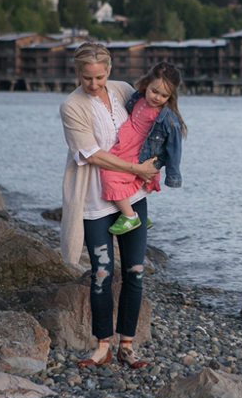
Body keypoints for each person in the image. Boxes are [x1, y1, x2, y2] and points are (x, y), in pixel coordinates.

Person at [59, 42, 161, 369]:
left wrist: (160, 157)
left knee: (135, 271)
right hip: (94, 200)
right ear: (77, 73)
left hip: (132, 197)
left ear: (110, 70)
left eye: (100, 76)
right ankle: (102, 345)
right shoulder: (72, 106)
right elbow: (92, 154)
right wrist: (136, 168)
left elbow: (150, 119)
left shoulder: (122, 90)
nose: (94, 84)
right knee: (102, 272)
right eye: (87, 77)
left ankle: (127, 346)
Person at [100, 61, 186, 235]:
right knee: (120, 174)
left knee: (110, 175)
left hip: (138, 150)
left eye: (164, 95)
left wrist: (173, 175)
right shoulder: (138, 97)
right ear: (147, 83)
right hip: (126, 142)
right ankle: (139, 214)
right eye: (154, 91)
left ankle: (130, 216)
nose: (157, 98)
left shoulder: (166, 116)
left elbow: (175, 148)